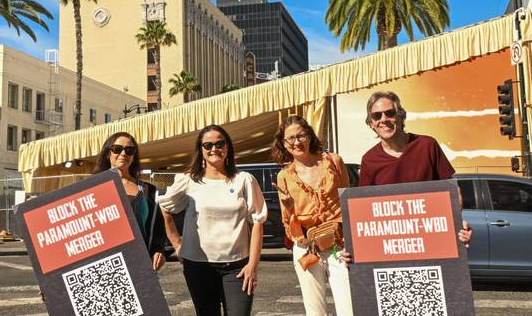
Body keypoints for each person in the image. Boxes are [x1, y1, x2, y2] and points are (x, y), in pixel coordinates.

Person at [159, 125, 267, 316]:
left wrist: (253, 265)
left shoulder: (243, 180)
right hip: (198, 267)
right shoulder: (189, 180)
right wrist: (178, 245)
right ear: (200, 150)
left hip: (238, 267)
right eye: (207, 145)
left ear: (227, 147)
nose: (214, 149)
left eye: (219, 143)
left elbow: (258, 222)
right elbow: (164, 207)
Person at [353, 91, 472, 248]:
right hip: (392, 247)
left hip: (434, 241)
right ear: (371, 123)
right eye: (377, 116)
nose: (383, 120)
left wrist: (457, 222)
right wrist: (355, 249)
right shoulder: (369, 160)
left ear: (401, 116)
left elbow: (453, 191)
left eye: (389, 113)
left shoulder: (427, 145)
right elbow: (365, 213)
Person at [270, 116, 352, 316]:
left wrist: (351, 242)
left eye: (301, 135)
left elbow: (348, 202)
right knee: (315, 311)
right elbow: (292, 231)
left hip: (338, 246)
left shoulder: (333, 161)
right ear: (283, 144)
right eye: (290, 139)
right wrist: (290, 208)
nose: (297, 142)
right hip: (308, 247)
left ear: (310, 136)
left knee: (349, 308)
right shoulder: (284, 176)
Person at [93, 132, 167, 271]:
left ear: (134, 157)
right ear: (108, 153)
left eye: (129, 150)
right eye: (117, 149)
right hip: (101, 266)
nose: (123, 153)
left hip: (139, 265)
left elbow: (157, 229)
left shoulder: (148, 191)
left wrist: (158, 251)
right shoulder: (92, 189)